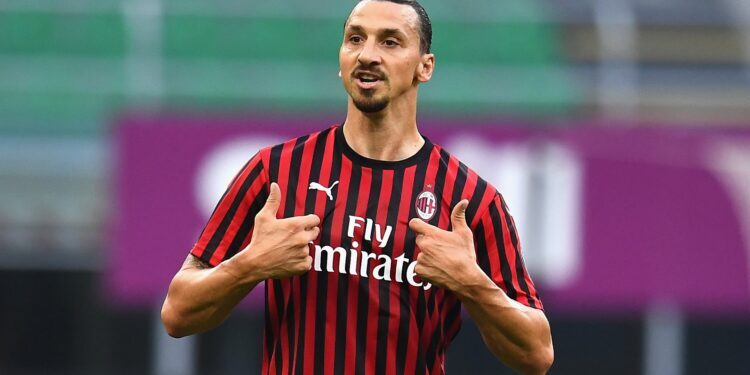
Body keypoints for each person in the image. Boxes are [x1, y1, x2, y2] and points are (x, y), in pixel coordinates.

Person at [161, 0, 554, 373]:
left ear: (425, 67)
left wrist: (472, 284)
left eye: (390, 41)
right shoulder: (276, 172)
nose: (367, 54)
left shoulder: (471, 200)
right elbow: (177, 314)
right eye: (355, 38)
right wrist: (250, 265)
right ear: (341, 59)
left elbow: (537, 355)